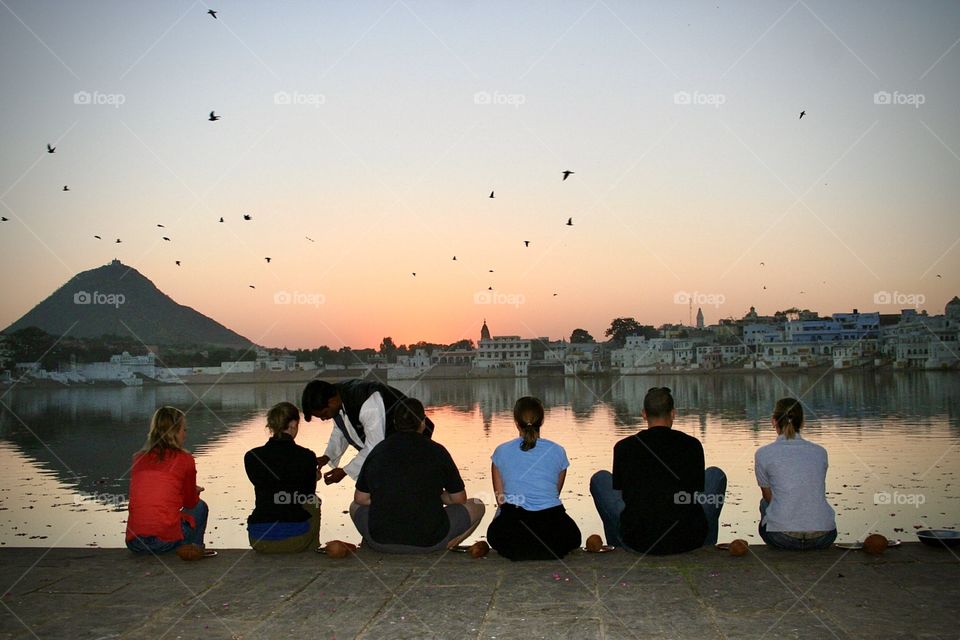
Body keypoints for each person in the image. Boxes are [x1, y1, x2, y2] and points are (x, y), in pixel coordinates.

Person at [590, 387, 726, 554]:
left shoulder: (624, 447)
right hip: (687, 537)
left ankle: (617, 547)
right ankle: (706, 546)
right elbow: (696, 490)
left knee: (600, 479)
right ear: (673, 413)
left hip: (638, 539)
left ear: (644, 414)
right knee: (715, 475)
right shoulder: (692, 445)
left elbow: (622, 491)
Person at [350, 398, 484, 553]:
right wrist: (434, 495)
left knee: (354, 507)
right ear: (423, 423)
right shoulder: (437, 451)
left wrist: (390, 496)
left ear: (394, 422)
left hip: (381, 541)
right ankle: (447, 544)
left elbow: (360, 499)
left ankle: (375, 544)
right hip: (429, 540)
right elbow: (458, 499)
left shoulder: (378, 450)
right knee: (478, 504)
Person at [486, 397, 581, 560]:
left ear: (516, 422)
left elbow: (501, 500)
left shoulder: (501, 452)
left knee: (496, 529)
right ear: (542, 420)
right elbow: (554, 494)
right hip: (551, 526)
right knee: (574, 537)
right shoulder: (558, 451)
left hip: (514, 527)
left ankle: (522, 546)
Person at [302, 379, 435, 485]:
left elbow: (374, 447)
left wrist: (345, 471)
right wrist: (327, 457)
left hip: (411, 447)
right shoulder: (337, 397)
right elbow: (341, 431)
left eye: (323, 414)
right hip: (389, 452)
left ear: (331, 402)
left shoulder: (367, 402)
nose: (324, 419)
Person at [126, 406, 212, 561]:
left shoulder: (138, 458)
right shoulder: (185, 459)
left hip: (134, 543)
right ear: (175, 432)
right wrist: (194, 491)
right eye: (184, 430)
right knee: (200, 507)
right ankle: (194, 550)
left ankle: (188, 548)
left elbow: (152, 492)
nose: (185, 435)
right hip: (164, 543)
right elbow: (190, 502)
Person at [755, 398, 837, 550]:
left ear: (774, 422)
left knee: (764, 503)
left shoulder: (763, 454)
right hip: (824, 536)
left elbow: (768, 497)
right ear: (802, 422)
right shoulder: (820, 452)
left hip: (782, 537)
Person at [244, 402, 321, 553]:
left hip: (259, 539)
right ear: (293, 424)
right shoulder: (307, 456)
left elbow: (267, 484)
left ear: (271, 427)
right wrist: (313, 477)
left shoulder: (252, 457)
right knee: (314, 502)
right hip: (296, 540)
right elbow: (306, 495)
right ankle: (312, 552)